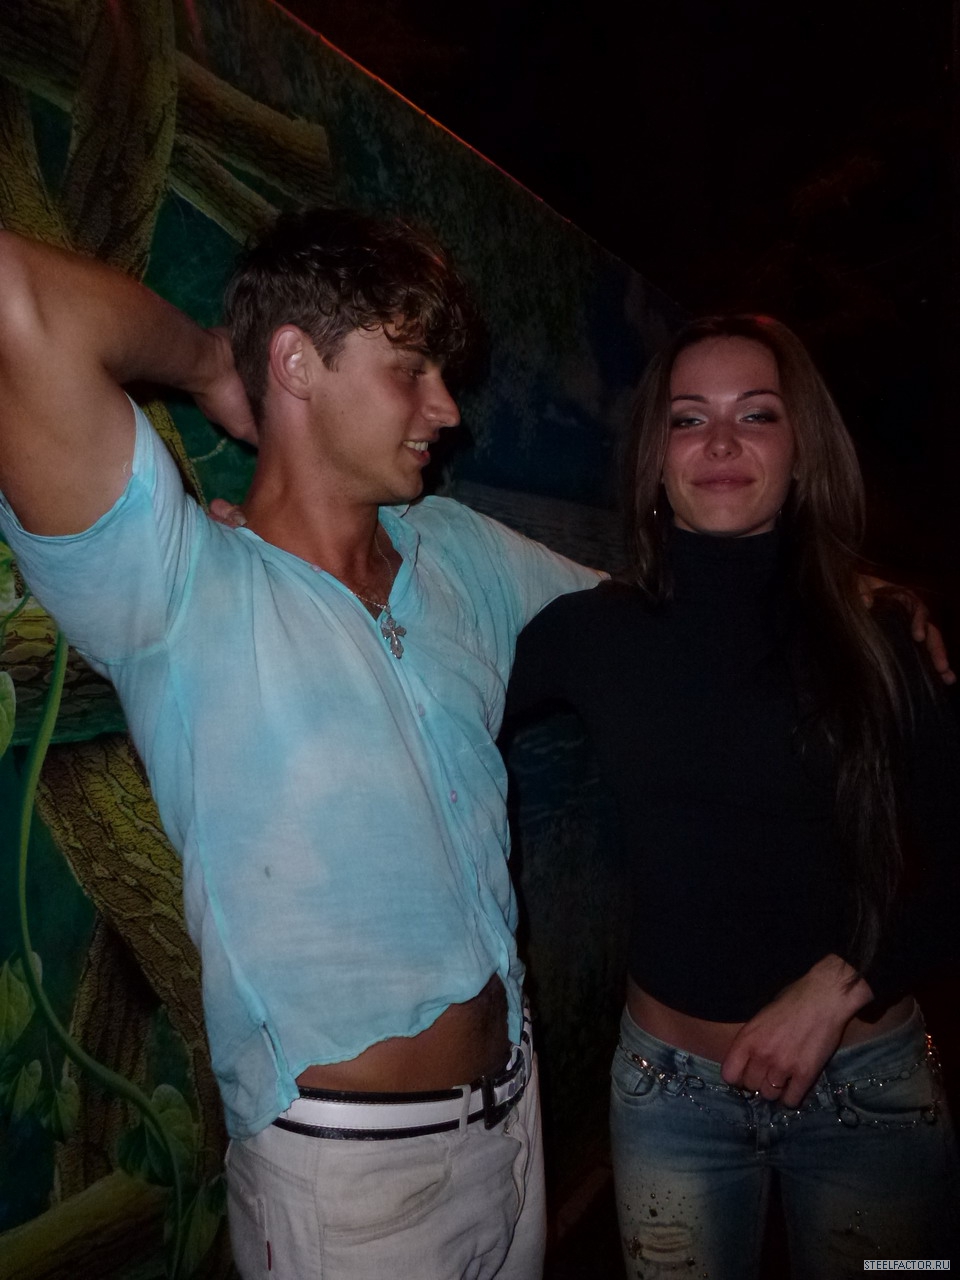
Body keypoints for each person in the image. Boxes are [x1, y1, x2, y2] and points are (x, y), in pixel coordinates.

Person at [0, 209, 602, 1280]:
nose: (446, 409)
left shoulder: (458, 551)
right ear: (294, 364)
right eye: (410, 370)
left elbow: (646, 627)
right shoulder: (179, 585)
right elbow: (16, 301)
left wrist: (852, 595)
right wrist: (207, 364)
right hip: (349, 1189)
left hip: (517, 1125)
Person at [509, 315, 960, 1277]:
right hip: (671, 1099)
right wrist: (267, 554)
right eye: (688, 418)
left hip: (869, 1094)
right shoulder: (589, 634)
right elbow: (419, 695)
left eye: (756, 415)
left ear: (803, 452)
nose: (719, 442)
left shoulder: (882, 637)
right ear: (655, 456)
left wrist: (844, 981)